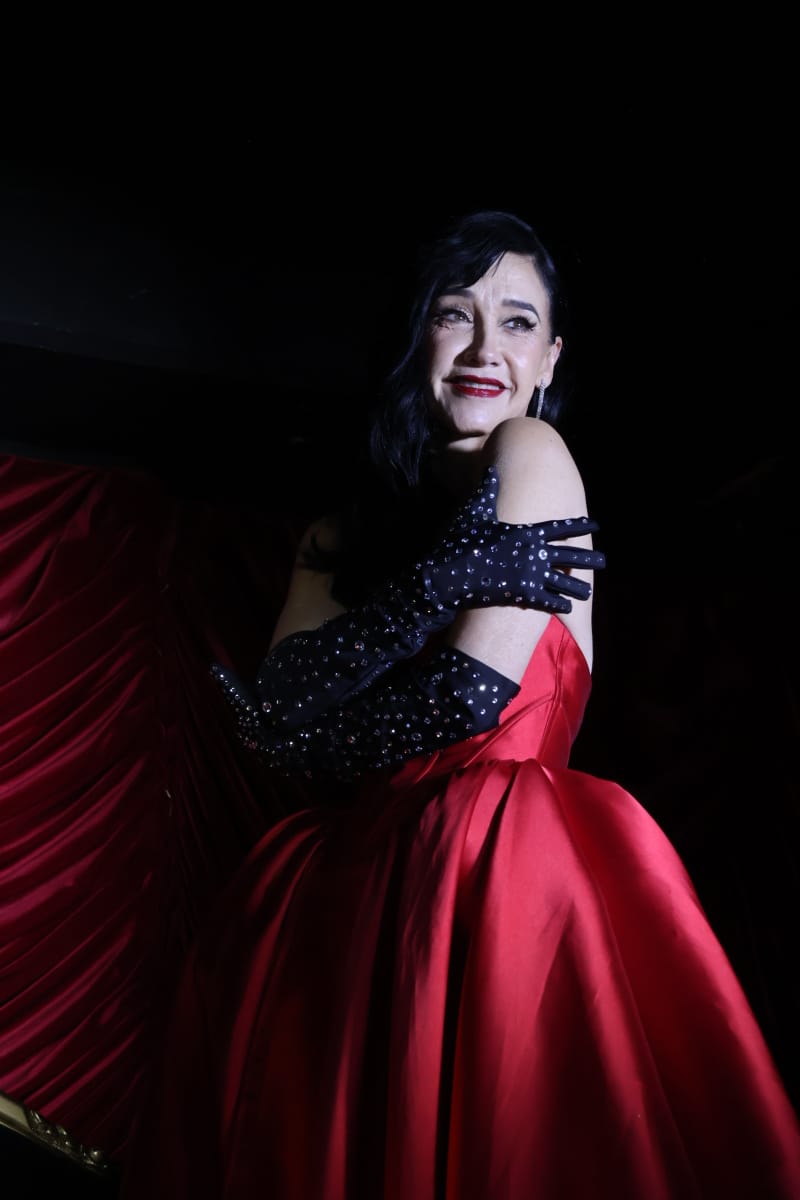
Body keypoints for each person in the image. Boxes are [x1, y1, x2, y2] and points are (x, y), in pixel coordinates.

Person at [121, 210, 800, 1199]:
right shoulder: (340, 532)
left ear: (549, 358)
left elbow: (462, 702)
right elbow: (281, 716)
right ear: (417, 336)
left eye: (518, 321)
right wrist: (435, 586)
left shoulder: (533, 448)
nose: (486, 348)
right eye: (456, 313)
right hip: (344, 894)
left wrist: (314, 720)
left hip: (486, 865)